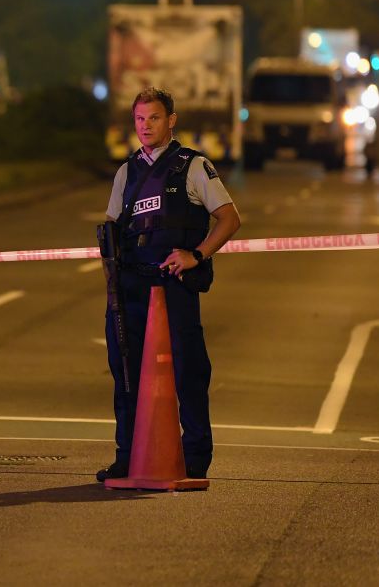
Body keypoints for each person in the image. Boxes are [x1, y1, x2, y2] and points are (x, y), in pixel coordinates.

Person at [97, 87, 242, 482]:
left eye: (154, 118)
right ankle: (127, 455)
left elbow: (229, 219)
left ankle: (195, 456)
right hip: (131, 290)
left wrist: (197, 255)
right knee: (125, 372)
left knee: (188, 371)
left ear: (171, 120)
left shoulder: (193, 166)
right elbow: (112, 228)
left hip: (173, 287)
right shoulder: (126, 172)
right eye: (140, 119)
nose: (146, 126)